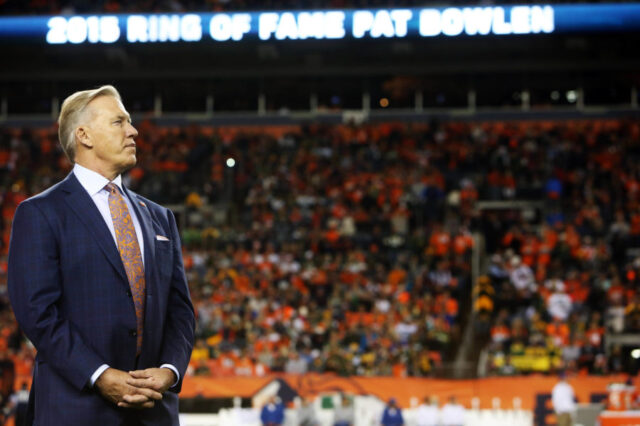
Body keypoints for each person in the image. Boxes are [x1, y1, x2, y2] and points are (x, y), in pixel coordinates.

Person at [7, 85, 195, 426]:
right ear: (84, 135)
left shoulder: (161, 217)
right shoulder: (41, 213)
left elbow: (180, 311)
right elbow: (37, 312)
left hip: (154, 411)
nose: (133, 130)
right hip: (76, 408)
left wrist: (169, 372)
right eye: (119, 121)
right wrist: (100, 374)